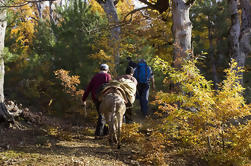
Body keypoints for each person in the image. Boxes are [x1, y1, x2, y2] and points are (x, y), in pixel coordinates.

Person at [82, 64, 111, 138]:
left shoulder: (95, 77)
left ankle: (104, 133)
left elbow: (89, 88)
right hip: (105, 98)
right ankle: (99, 134)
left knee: (101, 114)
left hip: (96, 98)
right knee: (104, 115)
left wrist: (84, 98)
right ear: (107, 69)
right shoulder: (107, 76)